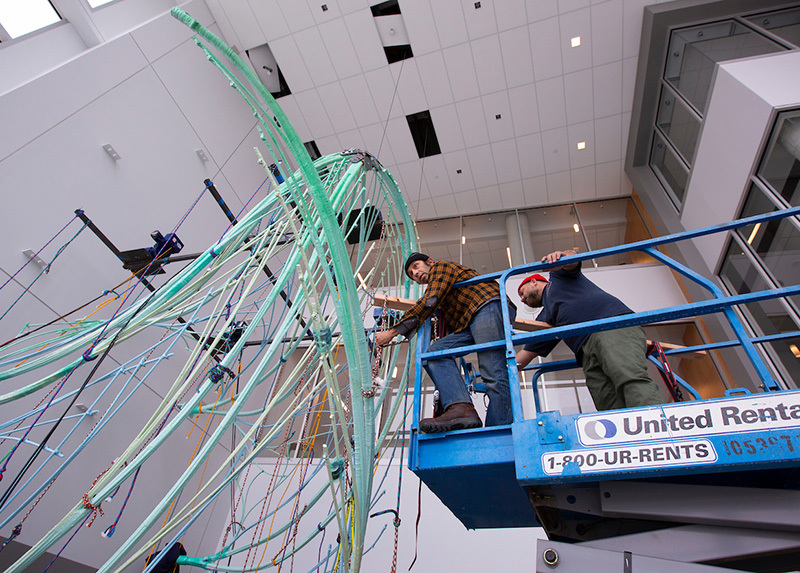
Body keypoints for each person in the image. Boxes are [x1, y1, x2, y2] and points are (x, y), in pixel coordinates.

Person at [374, 253, 516, 432]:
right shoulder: (441, 292)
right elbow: (432, 304)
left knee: (493, 372)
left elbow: (429, 301)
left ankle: (498, 432)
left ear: (429, 262)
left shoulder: (441, 267)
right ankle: (462, 408)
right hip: (469, 322)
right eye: (411, 274)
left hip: (486, 305)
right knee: (435, 354)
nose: (415, 273)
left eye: (416, 266)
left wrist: (393, 332)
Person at [516, 250, 663, 411]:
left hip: (610, 326)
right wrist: (497, 372)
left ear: (534, 282)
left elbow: (572, 260)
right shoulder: (546, 317)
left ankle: (657, 425)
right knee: (606, 400)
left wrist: (562, 257)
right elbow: (525, 356)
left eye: (522, 293)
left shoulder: (557, 278)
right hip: (586, 352)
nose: (522, 299)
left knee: (629, 379)